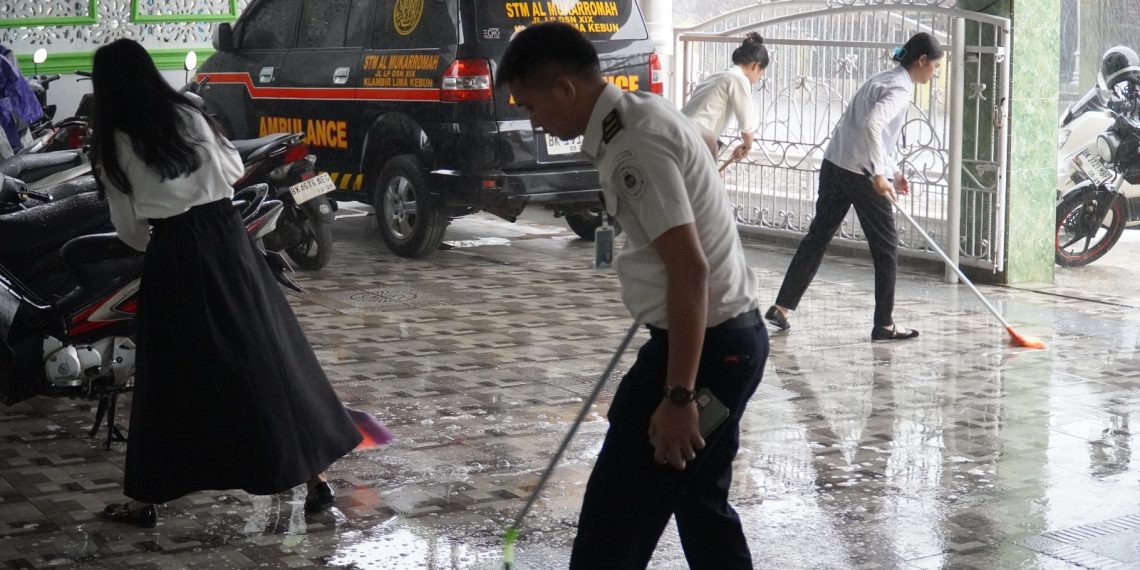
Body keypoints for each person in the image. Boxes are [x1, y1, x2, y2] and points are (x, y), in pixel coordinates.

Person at [498, 23, 769, 569]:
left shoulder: (633, 146)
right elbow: (705, 152)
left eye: (532, 105)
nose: (534, 120)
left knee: (614, 522)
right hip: (724, 342)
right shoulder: (645, 112)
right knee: (699, 501)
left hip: (708, 355)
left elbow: (691, 272)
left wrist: (678, 399)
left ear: (566, 90)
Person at [90, 39, 361, 528]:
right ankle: (316, 479)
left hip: (174, 252)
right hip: (229, 240)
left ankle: (145, 501)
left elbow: (130, 229)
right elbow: (234, 168)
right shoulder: (190, 114)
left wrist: (161, 229)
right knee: (266, 356)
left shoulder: (114, 141)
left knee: (171, 378)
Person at [765, 32, 944, 341]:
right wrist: (878, 174)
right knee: (886, 249)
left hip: (836, 164)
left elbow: (867, 131)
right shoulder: (901, 89)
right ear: (922, 60)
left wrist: (893, 171)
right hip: (862, 175)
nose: (936, 72)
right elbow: (873, 125)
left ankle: (782, 306)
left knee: (818, 237)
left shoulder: (882, 79)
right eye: (936, 66)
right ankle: (884, 324)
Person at [681, 32, 768, 163]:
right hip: (694, 141)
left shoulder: (717, 76)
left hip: (681, 132)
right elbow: (747, 129)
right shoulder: (738, 79)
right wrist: (747, 146)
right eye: (761, 74)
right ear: (756, 65)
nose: (758, 79)